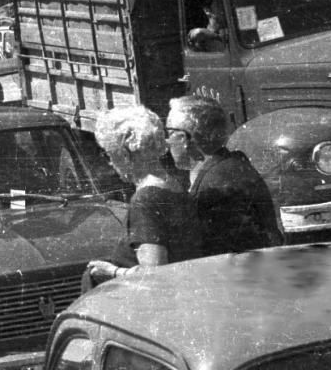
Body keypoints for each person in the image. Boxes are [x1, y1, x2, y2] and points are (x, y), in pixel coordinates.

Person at [86, 105, 202, 285]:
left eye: (110, 153)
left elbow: (155, 274)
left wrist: (113, 272)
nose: (110, 162)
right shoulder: (173, 184)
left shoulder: (145, 199)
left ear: (125, 153)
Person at [165, 95, 283, 255]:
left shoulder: (214, 187)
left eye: (169, 133)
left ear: (185, 139)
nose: (167, 142)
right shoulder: (232, 165)